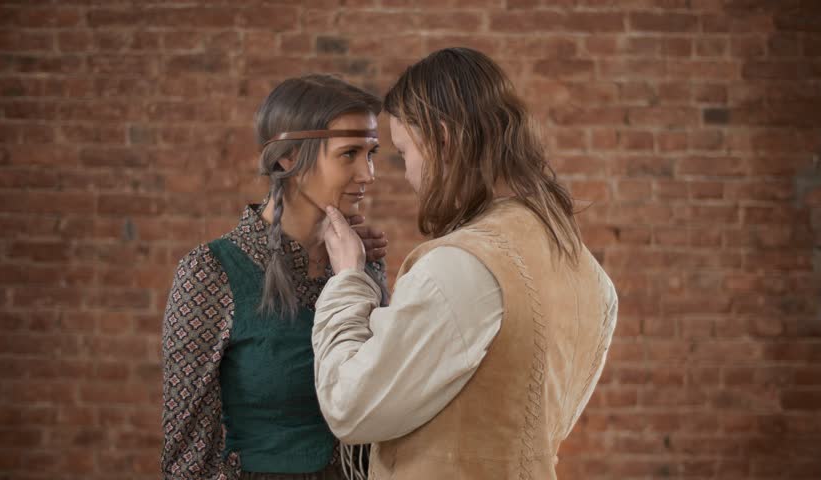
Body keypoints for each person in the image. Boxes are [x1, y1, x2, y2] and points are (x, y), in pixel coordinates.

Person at [313, 48, 619, 479]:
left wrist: (348, 278)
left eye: (404, 154)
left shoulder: (463, 266)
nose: (406, 175)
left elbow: (350, 406)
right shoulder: (591, 276)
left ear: (442, 139)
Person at [160, 74, 389, 480]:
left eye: (371, 153)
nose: (368, 174)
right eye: (349, 153)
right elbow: (187, 457)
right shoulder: (211, 273)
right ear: (289, 158)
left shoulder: (362, 264)